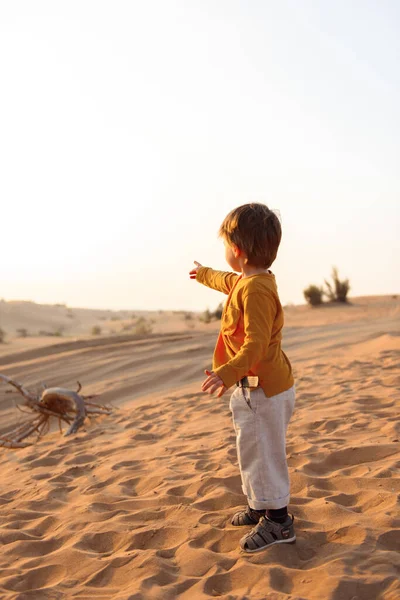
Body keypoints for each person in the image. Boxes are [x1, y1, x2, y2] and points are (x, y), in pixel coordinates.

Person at [189, 203, 296, 553]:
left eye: (225, 247)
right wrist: (204, 273)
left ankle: (278, 521)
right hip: (250, 390)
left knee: (266, 453)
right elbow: (225, 280)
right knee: (250, 449)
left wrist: (226, 372)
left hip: (264, 389)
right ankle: (258, 505)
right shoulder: (247, 281)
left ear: (238, 250)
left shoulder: (257, 290)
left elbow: (257, 343)